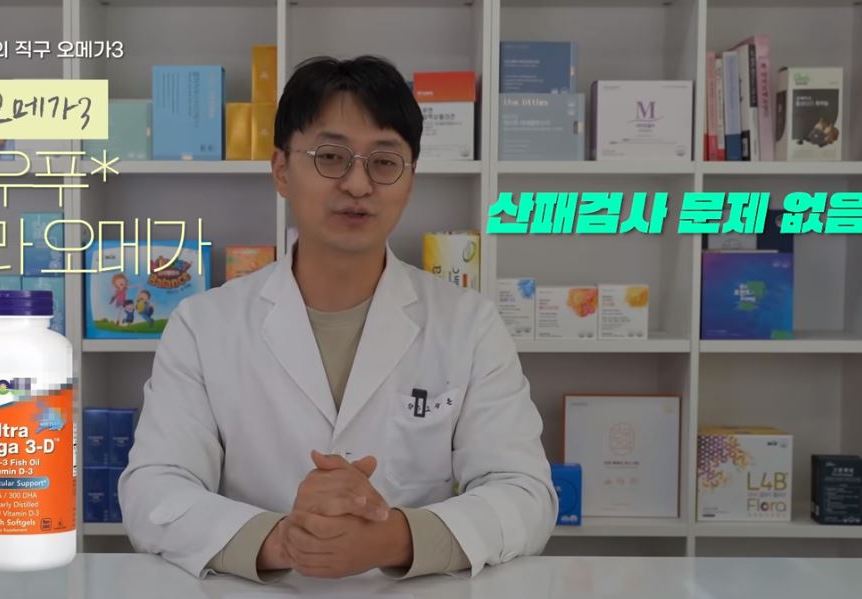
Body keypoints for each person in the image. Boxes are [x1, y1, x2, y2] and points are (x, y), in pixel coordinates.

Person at [119, 54, 557, 583]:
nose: (357, 184)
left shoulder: (469, 325)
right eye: (331, 157)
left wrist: (393, 538)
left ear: (410, 179)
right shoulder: (203, 326)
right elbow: (153, 491)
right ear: (282, 170)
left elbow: (525, 494)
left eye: (384, 162)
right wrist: (283, 541)